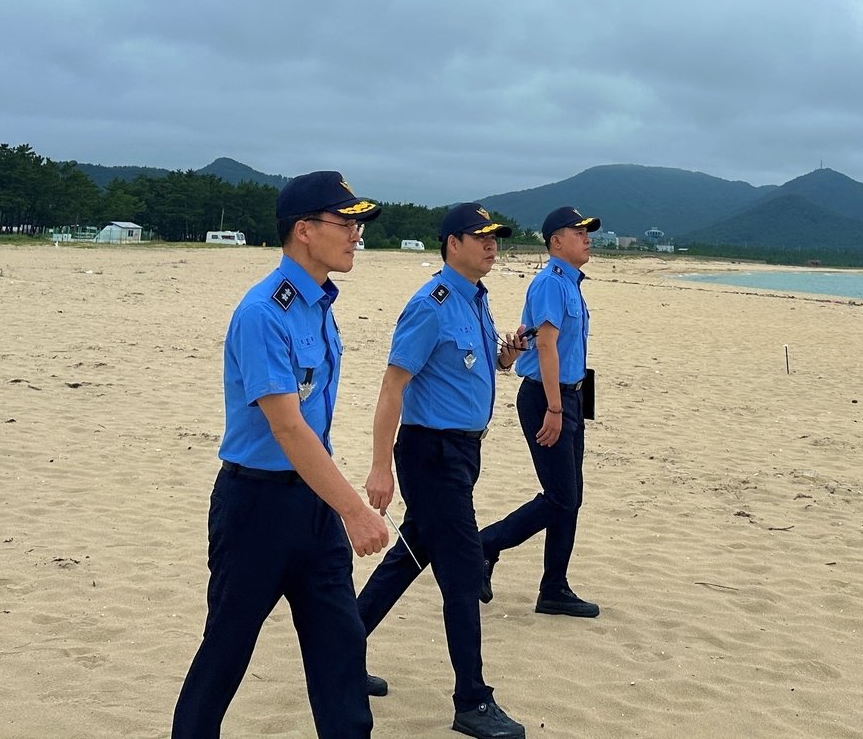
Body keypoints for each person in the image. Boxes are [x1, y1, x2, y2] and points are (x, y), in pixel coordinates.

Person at [172, 171, 389, 739]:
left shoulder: (317, 304)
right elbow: (289, 430)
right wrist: (355, 510)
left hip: (313, 508)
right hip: (256, 508)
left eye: (357, 223)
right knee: (227, 646)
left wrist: (333, 507)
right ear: (304, 231)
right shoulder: (264, 312)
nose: (356, 234)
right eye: (345, 223)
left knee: (341, 646)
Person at [356, 203, 527, 739]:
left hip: (463, 453)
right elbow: (392, 387)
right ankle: (471, 701)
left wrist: (507, 356)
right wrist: (380, 467)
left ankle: (340, 645)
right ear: (453, 243)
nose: (492, 246)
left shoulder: (476, 300)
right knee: (462, 569)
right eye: (482, 238)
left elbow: (472, 366)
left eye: (496, 237)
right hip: (429, 455)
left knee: (411, 554)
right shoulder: (430, 304)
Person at [480, 207, 602, 619]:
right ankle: (484, 546)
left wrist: (576, 402)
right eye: (578, 231)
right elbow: (546, 347)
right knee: (561, 496)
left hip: (575, 392)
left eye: (587, 232)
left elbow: (551, 345)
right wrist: (554, 407)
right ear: (555, 242)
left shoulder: (571, 284)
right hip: (546, 397)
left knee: (572, 496)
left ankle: (554, 588)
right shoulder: (550, 283)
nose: (587, 238)